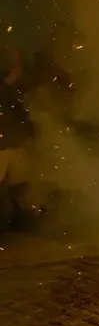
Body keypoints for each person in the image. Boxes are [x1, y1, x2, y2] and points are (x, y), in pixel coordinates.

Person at [0, 46, 37, 231]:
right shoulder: (5, 92)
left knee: (19, 188)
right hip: (3, 148)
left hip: (13, 146)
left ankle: (20, 222)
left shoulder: (15, 91)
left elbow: (22, 117)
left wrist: (28, 135)